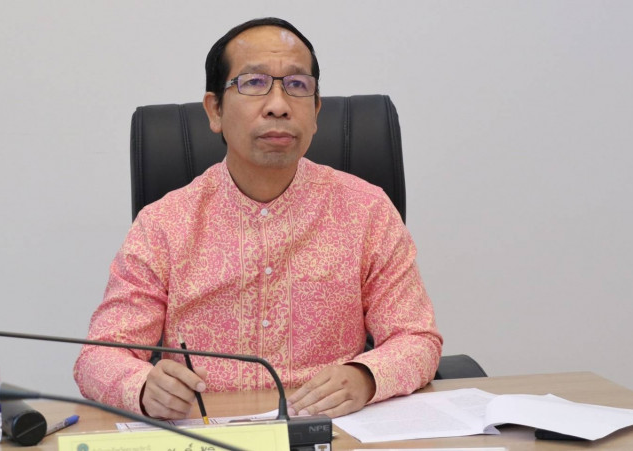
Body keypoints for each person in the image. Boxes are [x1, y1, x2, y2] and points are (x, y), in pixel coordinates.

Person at [74, 17, 442, 420]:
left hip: (327, 430)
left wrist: (365, 377)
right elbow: (99, 357)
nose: (279, 106)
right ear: (215, 110)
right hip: (209, 432)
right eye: (253, 83)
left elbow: (416, 338)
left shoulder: (366, 210)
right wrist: (144, 387)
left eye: (297, 85)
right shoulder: (164, 224)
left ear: (316, 112)